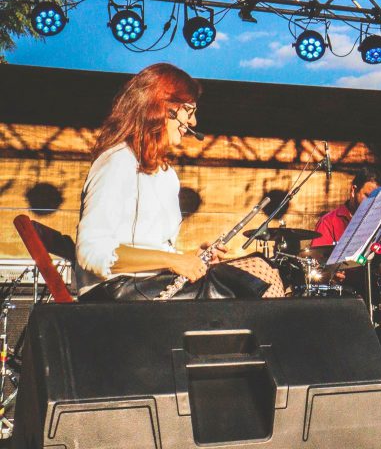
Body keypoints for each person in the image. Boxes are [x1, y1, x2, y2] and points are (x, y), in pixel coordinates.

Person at [76, 63, 283, 300]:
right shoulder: (118, 161)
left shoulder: (165, 174)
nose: (193, 122)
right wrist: (173, 260)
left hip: (146, 286)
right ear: (164, 107)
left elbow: (152, 250)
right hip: (115, 294)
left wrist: (191, 258)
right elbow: (92, 253)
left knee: (260, 270)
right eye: (189, 110)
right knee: (261, 272)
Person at [310, 168, 380, 247]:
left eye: (376, 198)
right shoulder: (328, 222)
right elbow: (319, 256)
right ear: (353, 190)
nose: (372, 202)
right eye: (368, 196)